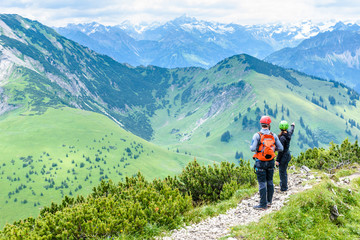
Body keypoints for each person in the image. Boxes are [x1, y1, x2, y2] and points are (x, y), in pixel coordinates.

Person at [250, 116, 283, 210]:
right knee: (270, 181)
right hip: (271, 162)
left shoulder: (257, 135)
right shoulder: (273, 135)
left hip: (260, 162)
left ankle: (262, 204)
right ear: (269, 125)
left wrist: (260, 150)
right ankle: (269, 202)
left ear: (261, 124)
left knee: (262, 183)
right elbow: (281, 148)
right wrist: (272, 149)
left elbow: (252, 149)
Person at [276, 120, 295, 192]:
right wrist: (292, 125)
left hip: (283, 157)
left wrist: (277, 160)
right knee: (284, 171)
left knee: (282, 172)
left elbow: (281, 151)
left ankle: (284, 188)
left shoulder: (282, 138)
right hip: (288, 155)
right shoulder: (288, 134)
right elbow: (291, 130)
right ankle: (284, 186)